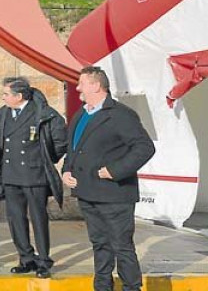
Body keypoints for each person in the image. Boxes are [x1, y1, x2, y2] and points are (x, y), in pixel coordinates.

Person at [62, 67, 155, 291]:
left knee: (122, 246)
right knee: (99, 245)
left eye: (81, 83)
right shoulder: (81, 114)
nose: (77, 88)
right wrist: (67, 170)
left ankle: (131, 287)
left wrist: (115, 170)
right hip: (87, 193)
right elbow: (73, 148)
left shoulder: (120, 114)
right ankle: (102, 286)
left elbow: (144, 147)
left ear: (96, 85)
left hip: (115, 195)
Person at [0, 77, 67, 279]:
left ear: (18, 96)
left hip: (34, 175)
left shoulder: (42, 113)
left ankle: (43, 260)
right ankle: (26, 258)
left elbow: (61, 140)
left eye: (6, 94)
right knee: (15, 219)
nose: (3, 97)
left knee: (38, 219)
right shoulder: (2, 114)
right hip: (10, 175)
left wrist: (45, 158)